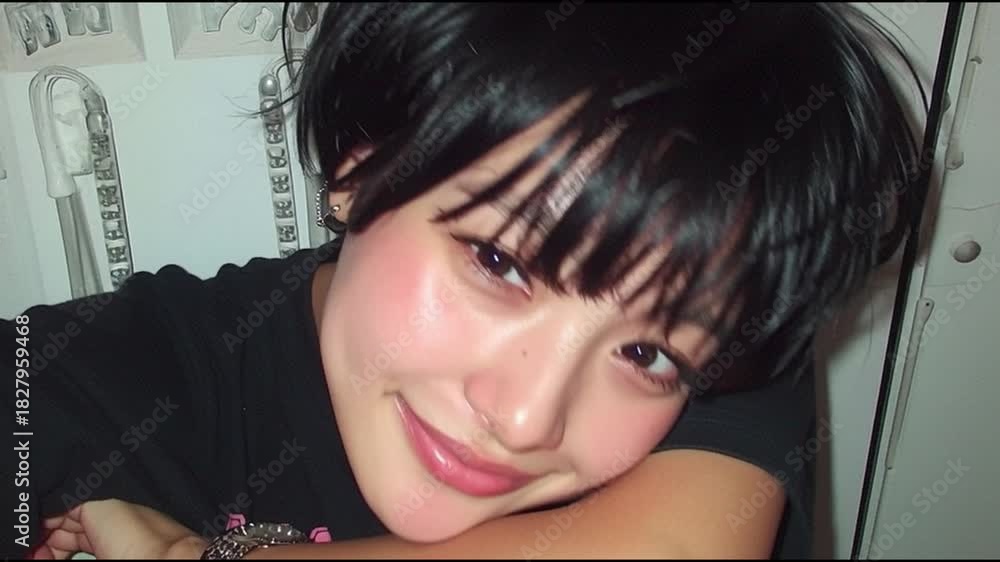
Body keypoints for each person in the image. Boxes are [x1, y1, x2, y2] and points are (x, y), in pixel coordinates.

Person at [3, 2, 928, 559]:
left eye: (647, 353)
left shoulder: (734, 357)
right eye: (501, 263)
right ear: (359, 161)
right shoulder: (119, 375)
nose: (526, 419)